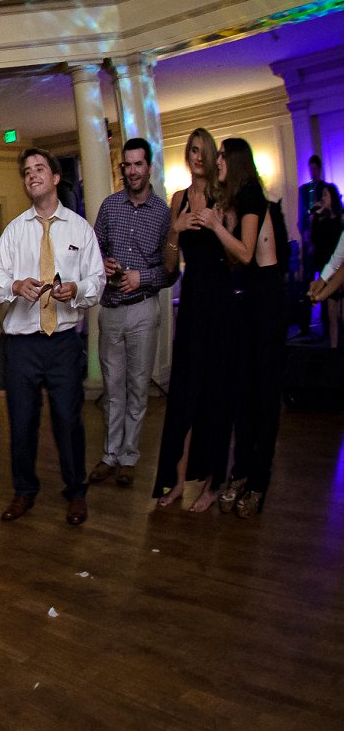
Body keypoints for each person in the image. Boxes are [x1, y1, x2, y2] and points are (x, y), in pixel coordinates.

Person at [0, 148, 104, 526]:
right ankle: (24, 492)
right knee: (21, 421)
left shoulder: (79, 229)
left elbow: (97, 281)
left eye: (39, 169)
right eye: (26, 172)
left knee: (68, 420)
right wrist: (14, 285)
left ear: (55, 178)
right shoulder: (14, 231)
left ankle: (76, 492)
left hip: (64, 340)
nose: (31, 175)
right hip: (22, 343)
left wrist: (76, 288)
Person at [151, 129, 234, 510]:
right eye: (191, 151)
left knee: (216, 394)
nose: (197, 157)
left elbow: (238, 259)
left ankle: (214, 481)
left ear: (213, 156)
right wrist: (175, 229)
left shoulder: (224, 197)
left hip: (220, 304)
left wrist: (217, 226)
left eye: (203, 151)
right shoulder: (179, 200)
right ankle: (178, 481)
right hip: (192, 302)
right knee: (183, 395)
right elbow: (170, 269)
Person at [211, 138, 287, 517]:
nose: (217, 161)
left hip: (266, 301)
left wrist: (215, 225)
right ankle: (240, 473)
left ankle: (259, 481)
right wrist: (222, 219)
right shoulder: (236, 201)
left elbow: (244, 252)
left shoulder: (252, 195)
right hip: (245, 301)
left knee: (264, 393)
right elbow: (234, 260)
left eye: (222, 156)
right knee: (243, 392)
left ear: (235, 161)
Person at [89, 138, 171, 490]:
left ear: (148, 168)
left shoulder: (164, 213)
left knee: (138, 386)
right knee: (113, 387)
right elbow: (92, 252)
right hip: (110, 310)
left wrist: (143, 276)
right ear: (122, 168)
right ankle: (110, 454)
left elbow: (171, 271)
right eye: (127, 165)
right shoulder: (109, 207)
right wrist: (103, 265)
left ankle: (129, 456)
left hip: (142, 309)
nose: (133, 171)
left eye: (138, 164)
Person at [300, 155, 342, 345]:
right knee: (331, 313)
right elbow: (334, 260)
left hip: (338, 268)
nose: (323, 198)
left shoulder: (342, 219)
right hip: (327, 263)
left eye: (326, 195)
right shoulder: (318, 215)